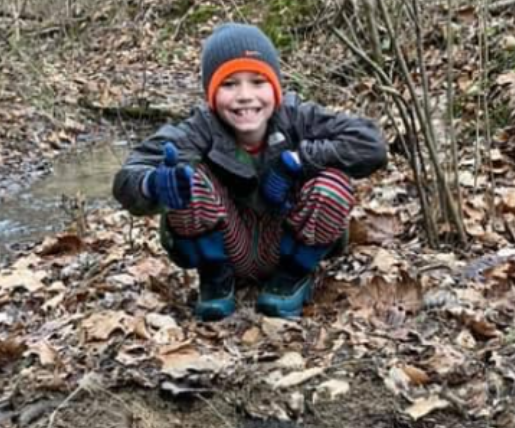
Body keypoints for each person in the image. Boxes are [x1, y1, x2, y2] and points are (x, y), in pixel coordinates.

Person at [113, 22, 387, 321]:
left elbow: (370, 144)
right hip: (229, 247)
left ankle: (294, 277)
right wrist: (153, 184)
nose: (245, 95)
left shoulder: (298, 117)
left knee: (332, 180)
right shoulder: (199, 128)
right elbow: (129, 174)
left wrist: (298, 161)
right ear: (212, 94)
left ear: (275, 87)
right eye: (229, 84)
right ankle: (217, 279)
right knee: (185, 177)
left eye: (257, 81)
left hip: (284, 243)